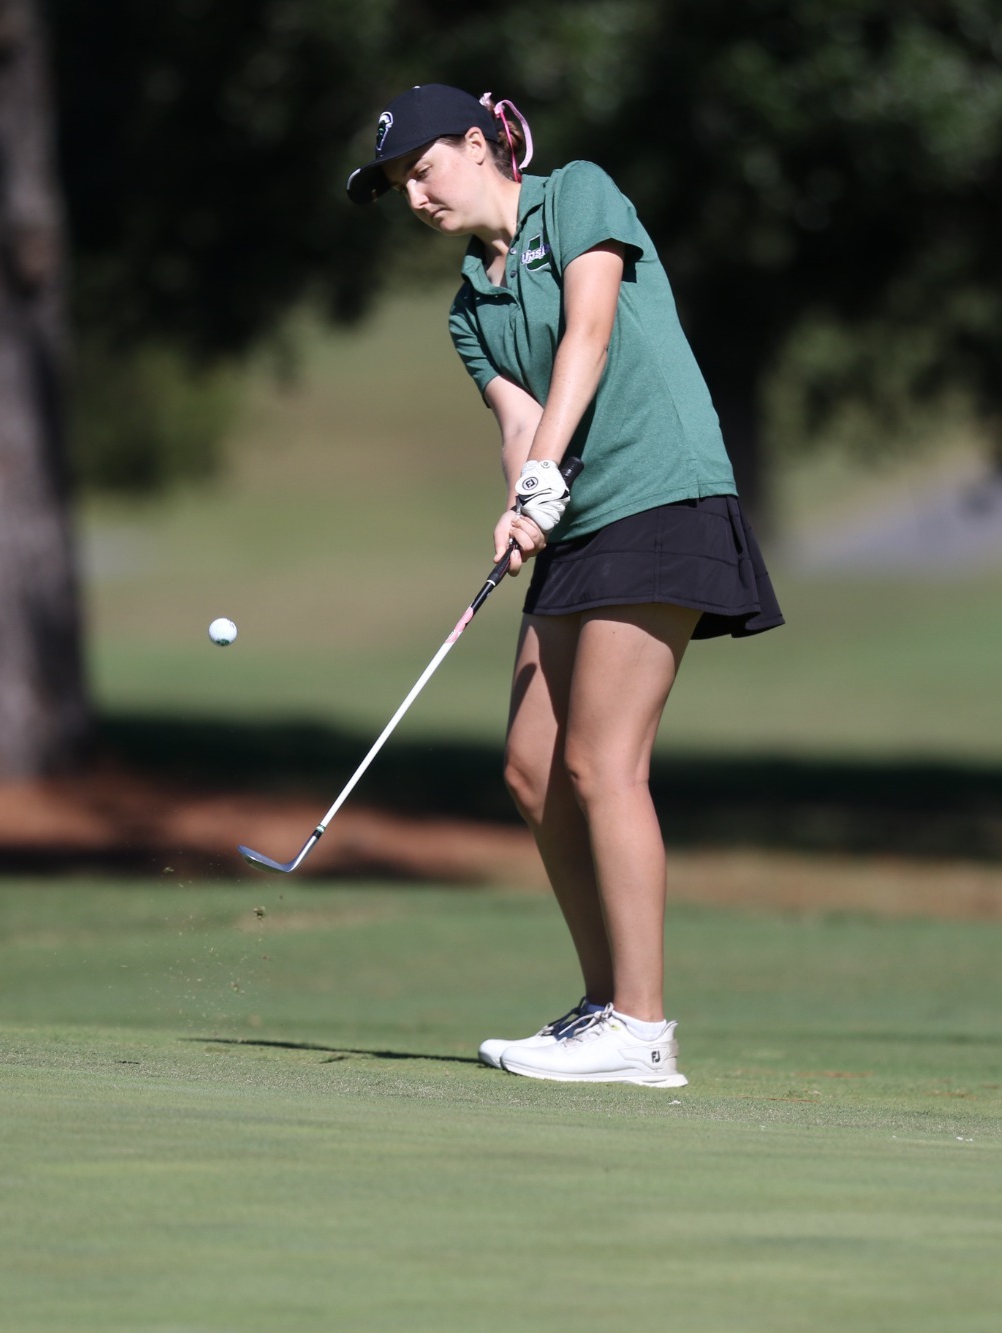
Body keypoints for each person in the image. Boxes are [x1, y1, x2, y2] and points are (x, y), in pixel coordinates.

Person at [346, 85, 782, 1088]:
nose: (413, 196)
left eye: (421, 170)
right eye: (395, 186)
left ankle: (643, 1025)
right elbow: (517, 420)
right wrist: (521, 506)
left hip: (660, 491)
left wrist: (547, 475)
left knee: (599, 761)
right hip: (575, 523)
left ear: (476, 144)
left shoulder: (575, 195)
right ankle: (602, 1009)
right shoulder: (469, 307)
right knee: (532, 769)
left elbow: (587, 332)